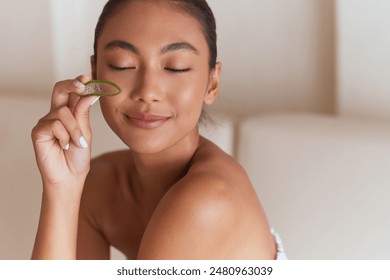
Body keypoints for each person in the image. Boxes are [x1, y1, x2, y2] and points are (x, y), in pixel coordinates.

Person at [31, 0, 278, 260]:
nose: (148, 92)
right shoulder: (98, 186)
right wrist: (61, 188)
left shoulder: (206, 202)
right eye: (122, 64)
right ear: (95, 72)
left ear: (212, 83)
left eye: (176, 67)